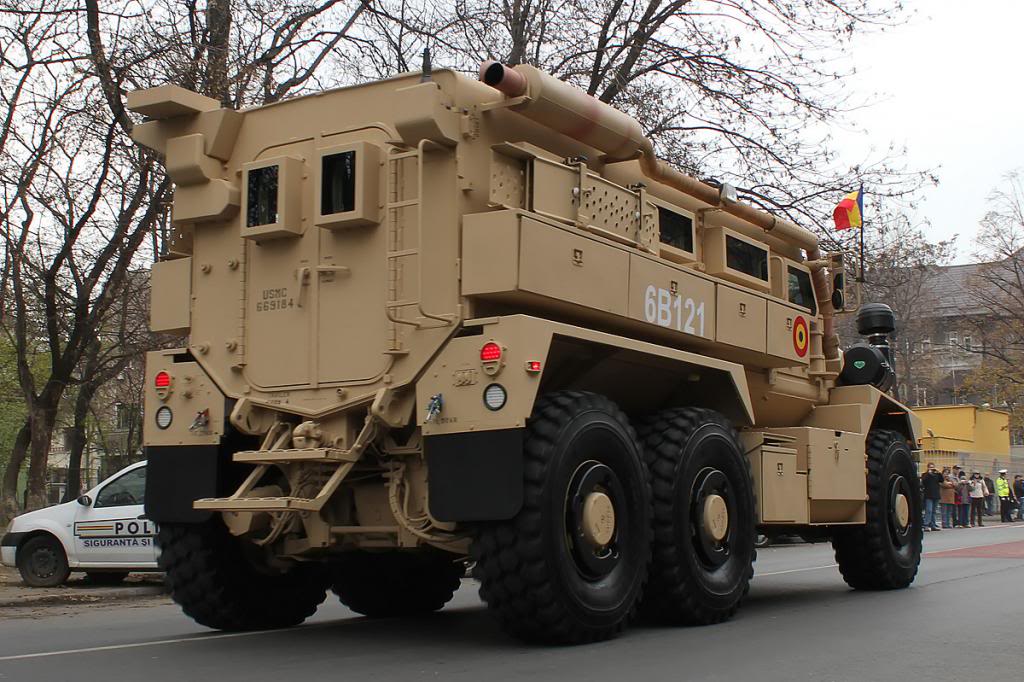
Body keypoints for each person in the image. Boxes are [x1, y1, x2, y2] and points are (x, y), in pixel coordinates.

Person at [921, 463, 943, 531]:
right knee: (929, 510)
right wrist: (928, 473)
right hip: (928, 495)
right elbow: (923, 481)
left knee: (934, 511)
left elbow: (941, 480)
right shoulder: (925, 474)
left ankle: (933, 525)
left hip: (936, 495)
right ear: (928, 468)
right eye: (930, 467)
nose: (932, 468)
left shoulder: (936, 475)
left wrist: (939, 472)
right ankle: (926, 525)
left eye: (933, 467)